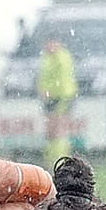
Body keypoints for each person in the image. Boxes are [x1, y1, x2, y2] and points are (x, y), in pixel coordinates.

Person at [36, 35, 78, 168]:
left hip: (61, 97)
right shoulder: (46, 58)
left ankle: (61, 159)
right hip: (49, 97)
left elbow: (62, 80)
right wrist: (43, 90)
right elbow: (43, 77)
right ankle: (51, 159)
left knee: (58, 128)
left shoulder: (62, 58)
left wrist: (52, 93)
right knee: (50, 130)